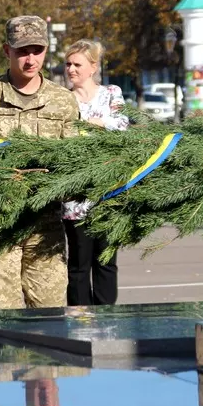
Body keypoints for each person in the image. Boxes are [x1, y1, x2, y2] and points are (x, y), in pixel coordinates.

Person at [0, 15, 80, 310]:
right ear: (6, 51)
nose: (30, 59)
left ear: (46, 50)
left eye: (36, 50)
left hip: (45, 225)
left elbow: (75, 158)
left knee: (50, 314)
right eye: (22, 51)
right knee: (6, 317)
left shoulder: (62, 100)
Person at [61, 40, 128, 306]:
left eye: (77, 64)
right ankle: (80, 322)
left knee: (106, 261)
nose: (71, 69)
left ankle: (106, 320)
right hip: (76, 195)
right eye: (68, 64)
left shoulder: (111, 93)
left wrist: (96, 123)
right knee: (78, 264)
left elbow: (122, 124)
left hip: (109, 191)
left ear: (93, 67)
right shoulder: (64, 99)